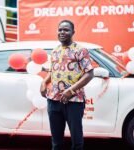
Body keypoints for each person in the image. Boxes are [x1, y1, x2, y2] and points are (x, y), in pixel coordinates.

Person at [40, 20, 94, 150]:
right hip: (53, 100)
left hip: (74, 101)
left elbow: (89, 74)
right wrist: (44, 82)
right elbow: (52, 71)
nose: (62, 32)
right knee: (56, 141)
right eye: (60, 30)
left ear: (73, 32)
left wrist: (71, 90)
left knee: (76, 141)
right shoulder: (55, 51)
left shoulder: (81, 50)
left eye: (66, 30)